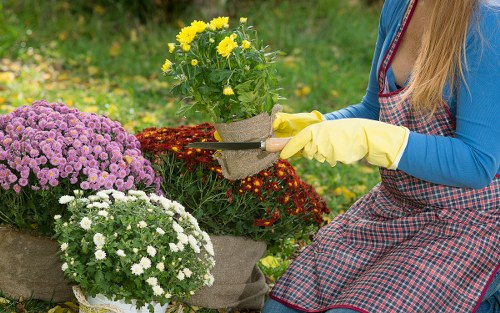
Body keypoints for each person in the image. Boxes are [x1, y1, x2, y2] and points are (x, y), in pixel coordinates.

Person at [263, 0, 500, 312]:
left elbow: (477, 163)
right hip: (395, 205)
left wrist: (371, 138)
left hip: (470, 223)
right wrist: (318, 125)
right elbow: (374, 109)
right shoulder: (401, 6)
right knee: (283, 308)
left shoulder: (488, 24)